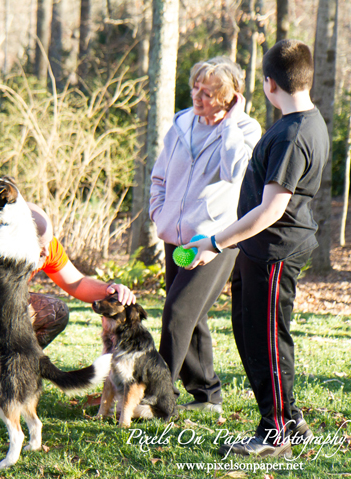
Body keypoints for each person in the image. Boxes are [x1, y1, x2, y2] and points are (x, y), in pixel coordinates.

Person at [186, 39, 328, 458]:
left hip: (275, 252)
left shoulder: (292, 133)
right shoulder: (305, 122)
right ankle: (286, 417)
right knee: (252, 337)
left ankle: (277, 431)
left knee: (268, 340)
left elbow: (270, 210)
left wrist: (214, 241)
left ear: (269, 84)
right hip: (259, 252)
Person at [0, 203, 136, 412]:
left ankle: (2, 375)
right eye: (40, 245)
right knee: (14, 388)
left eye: (48, 242)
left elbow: (76, 283)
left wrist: (110, 289)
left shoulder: (41, 243)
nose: (46, 251)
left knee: (56, 311)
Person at [149, 57, 261, 414]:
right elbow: (161, 175)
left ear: (230, 98)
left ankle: (158, 398)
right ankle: (207, 394)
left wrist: (230, 121)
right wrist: (159, 212)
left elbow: (233, 170)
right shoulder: (182, 122)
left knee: (178, 310)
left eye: (209, 92)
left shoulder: (245, 130)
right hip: (176, 239)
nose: (198, 97)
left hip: (214, 242)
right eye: (195, 87)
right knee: (191, 314)